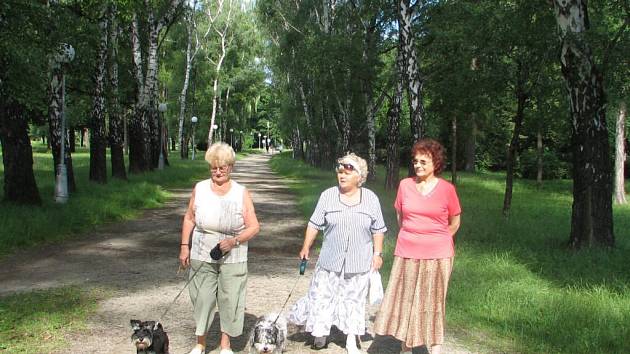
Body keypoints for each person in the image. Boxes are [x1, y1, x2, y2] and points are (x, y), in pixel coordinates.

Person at [288, 153, 387, 354]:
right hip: (330, 259)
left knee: (353, 300)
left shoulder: (371, 199)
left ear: (360, 177)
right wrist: (306, 246)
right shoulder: (328, 195)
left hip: (359, 261)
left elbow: (378, 229)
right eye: (340, 172)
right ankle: (320, 333)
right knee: (323, 297)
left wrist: (378, 254)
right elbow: (314, 224)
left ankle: (351, 339)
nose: (342, 176)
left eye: (347, 173)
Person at [374, 139, 461, 354]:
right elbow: (401, 218)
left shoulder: (447, 189)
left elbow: (455, 222)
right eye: (415, 161)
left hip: (439, 254)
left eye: (424, 161)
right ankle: (406, 345)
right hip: (407, 252)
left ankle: (435, 346)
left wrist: (437, 240)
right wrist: (415, 238)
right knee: (406, 299)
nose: (418, 165)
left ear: (436, 163)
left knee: (433, 300)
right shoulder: (405, 185)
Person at [179, 142, 260, 354]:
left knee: (230, 298)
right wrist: (184, 246)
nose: (217, 172)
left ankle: (226, 345)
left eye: (222, 167)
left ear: (231, 167)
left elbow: (254, 227)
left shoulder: (241, 192)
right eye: (213, 167)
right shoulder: (200, 188)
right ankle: (200, 344)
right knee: (202, 298)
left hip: (233, 253)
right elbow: (189, 219)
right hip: (201, 251)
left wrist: (234, 241)